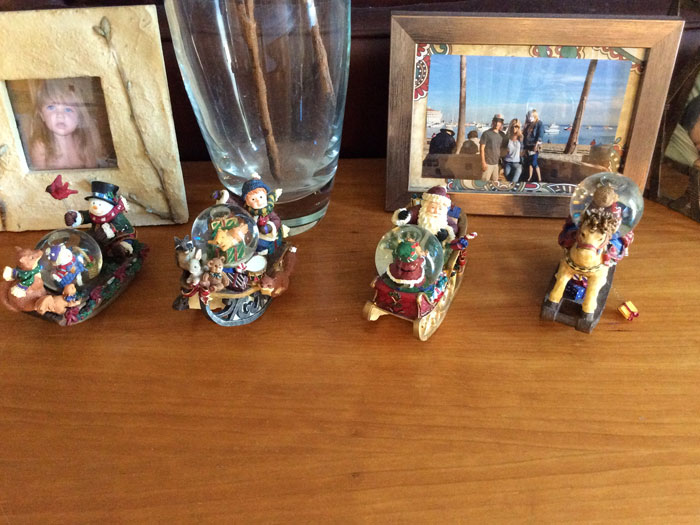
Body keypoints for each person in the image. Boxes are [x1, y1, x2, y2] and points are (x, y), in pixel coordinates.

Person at [28, 78, 104, 170]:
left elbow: (93, 173)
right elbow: (41, 177)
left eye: (68, 109)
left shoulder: (83, 142)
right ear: (42, 115)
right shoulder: (41, 147)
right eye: (51, 107)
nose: (60, 115)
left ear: (79, 118)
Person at [392, 185, 458, 243]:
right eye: (433, 207)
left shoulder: (443, 217)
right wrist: (403, 216)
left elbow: (454, 226)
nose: (436, 211)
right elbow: (410, 214)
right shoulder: (420, 211)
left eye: (440, 209)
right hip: (417, 240)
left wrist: (446, 232)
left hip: (436, 244)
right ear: (426, 205)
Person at [480, 114, 507, 182]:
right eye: (495, 121)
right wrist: (483, 162)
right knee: (484, 183)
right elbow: (482, 149)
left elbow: (503, 149)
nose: (497, 123)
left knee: (495, 184)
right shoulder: (486, 133)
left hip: (497, 164)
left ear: (501, 123)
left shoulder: (502, 135)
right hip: (487, 163)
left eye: (499, 122)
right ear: (492, 122)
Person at [522, 109, 544, 182]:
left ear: (535, 115)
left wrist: (536, 144)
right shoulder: (529, 124)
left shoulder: (539, 123)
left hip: (534, 145)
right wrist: (524, 148)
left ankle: (539, 178)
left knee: (534, 162)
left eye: (531, 116)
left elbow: (540, 134)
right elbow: (525, 136)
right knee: (530, 163)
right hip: (528, 146)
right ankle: (530, 177)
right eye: (529, 116)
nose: (529, 117)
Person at [503, 118, 523, 183]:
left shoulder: (520, 137)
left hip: (517, 163)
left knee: (514, 182)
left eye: (516, 126)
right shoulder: (507, 137)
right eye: (513, 126)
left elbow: (523, 150)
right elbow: (502, 149)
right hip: (507, 162)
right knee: (508, 181)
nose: (514, 128)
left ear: (519, 127)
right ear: (510, 127)